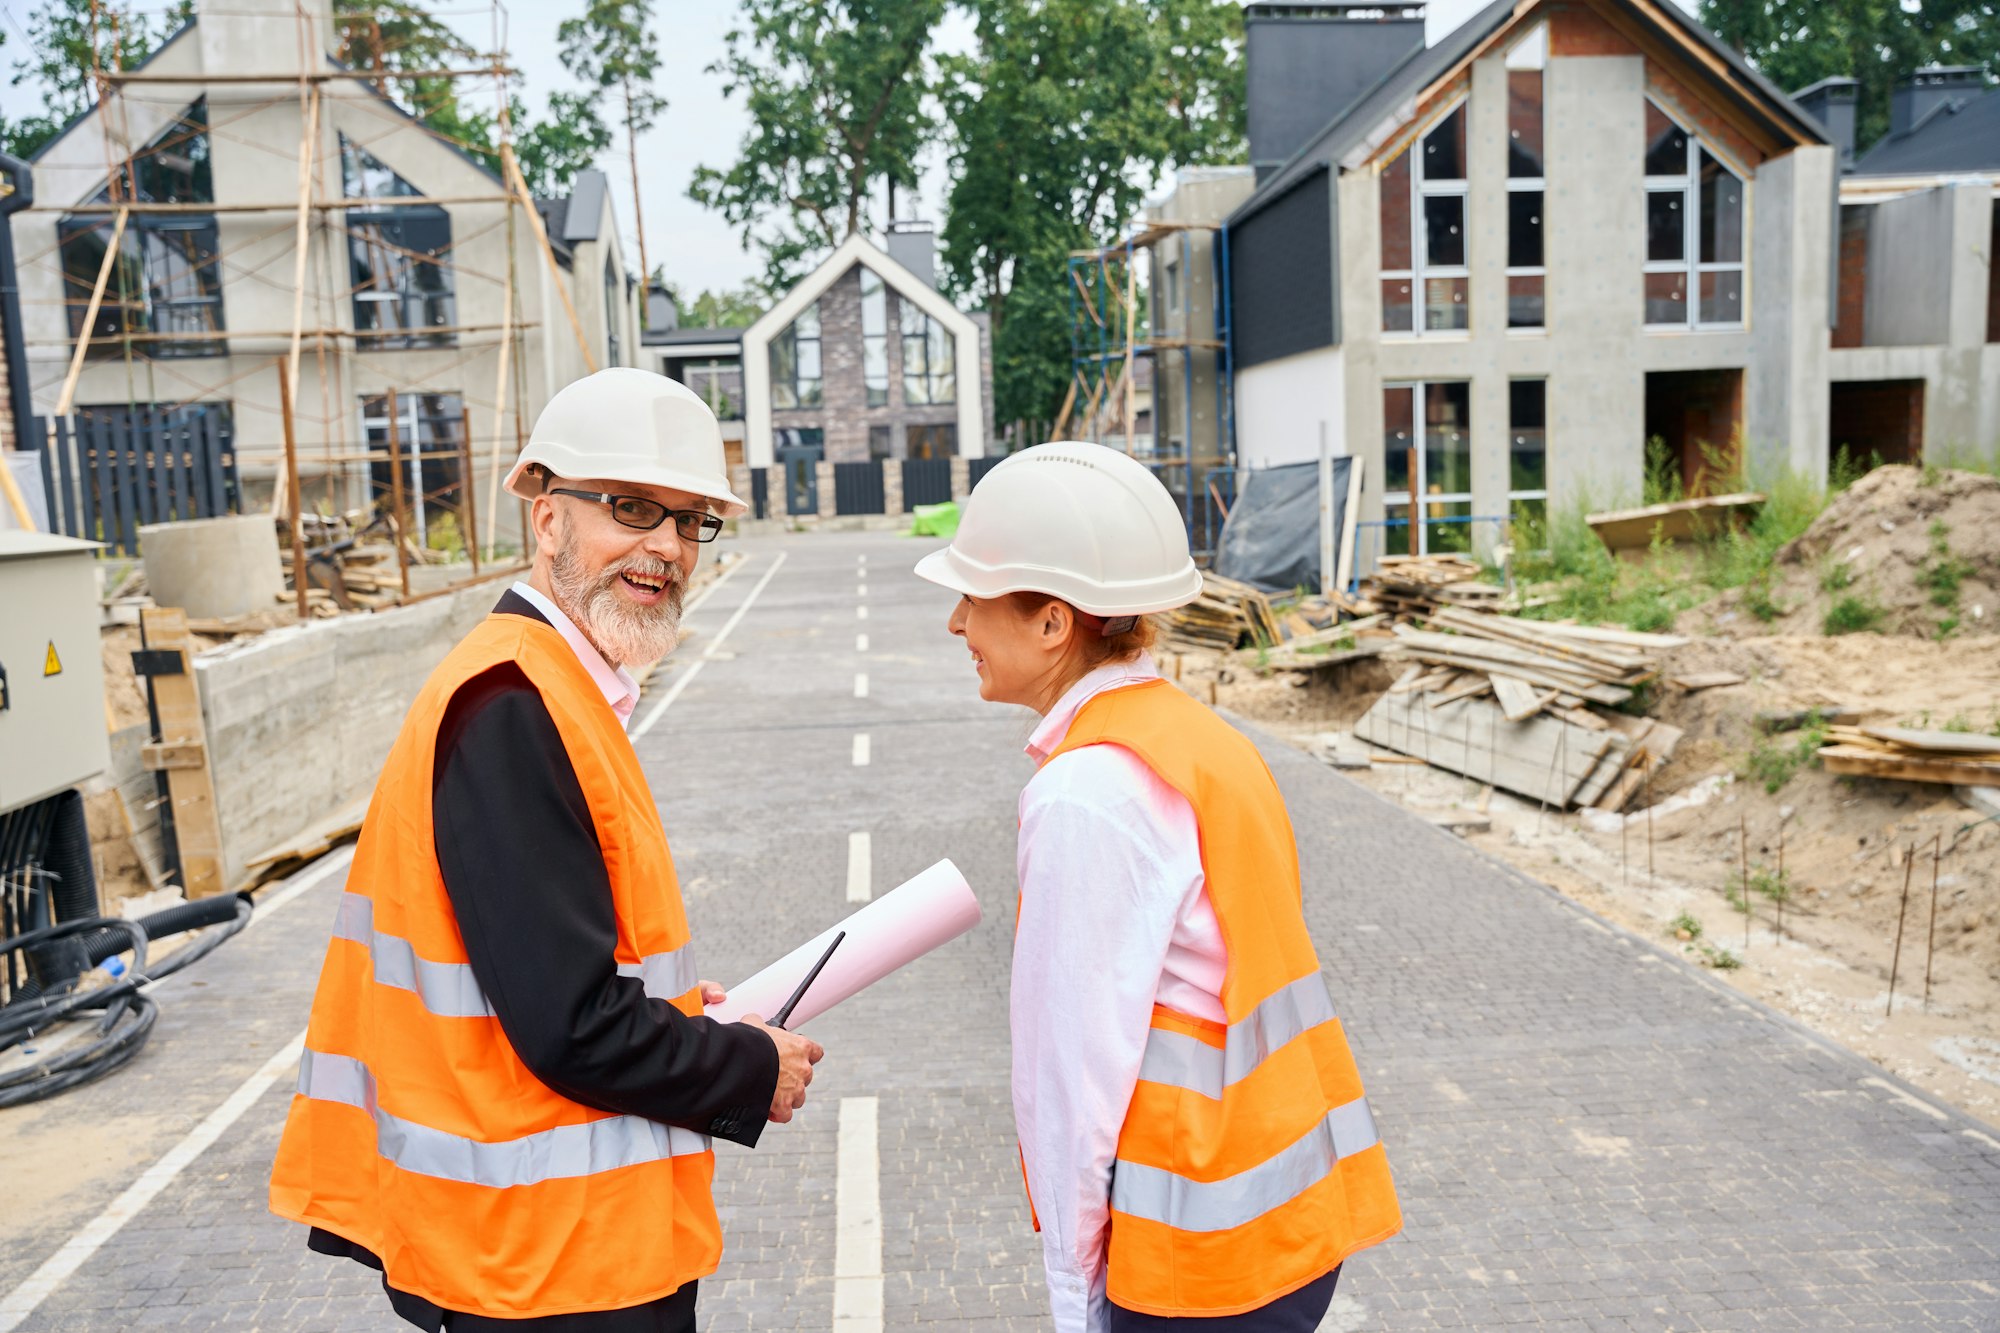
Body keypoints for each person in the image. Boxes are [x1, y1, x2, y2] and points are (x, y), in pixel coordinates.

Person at [269, 368, 824, 1332]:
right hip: (543, 1266)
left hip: (557, 1251)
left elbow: (556, 968)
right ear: (548, 517)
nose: (666, 547)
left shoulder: (551, 688)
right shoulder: (512, 708)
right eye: (630, 508)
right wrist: (743, 1066)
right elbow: (571, 1022)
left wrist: (687, 1015)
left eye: (692, 521)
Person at [913, 443, 1402, 1332]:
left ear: (1054, 622)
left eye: (972, 598)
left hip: (1197, 1253)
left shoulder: (1086, 793)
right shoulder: (1199, 740)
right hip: (1290, 1216)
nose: (956, 624)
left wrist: (1072, 1289)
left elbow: (1073, 1072)